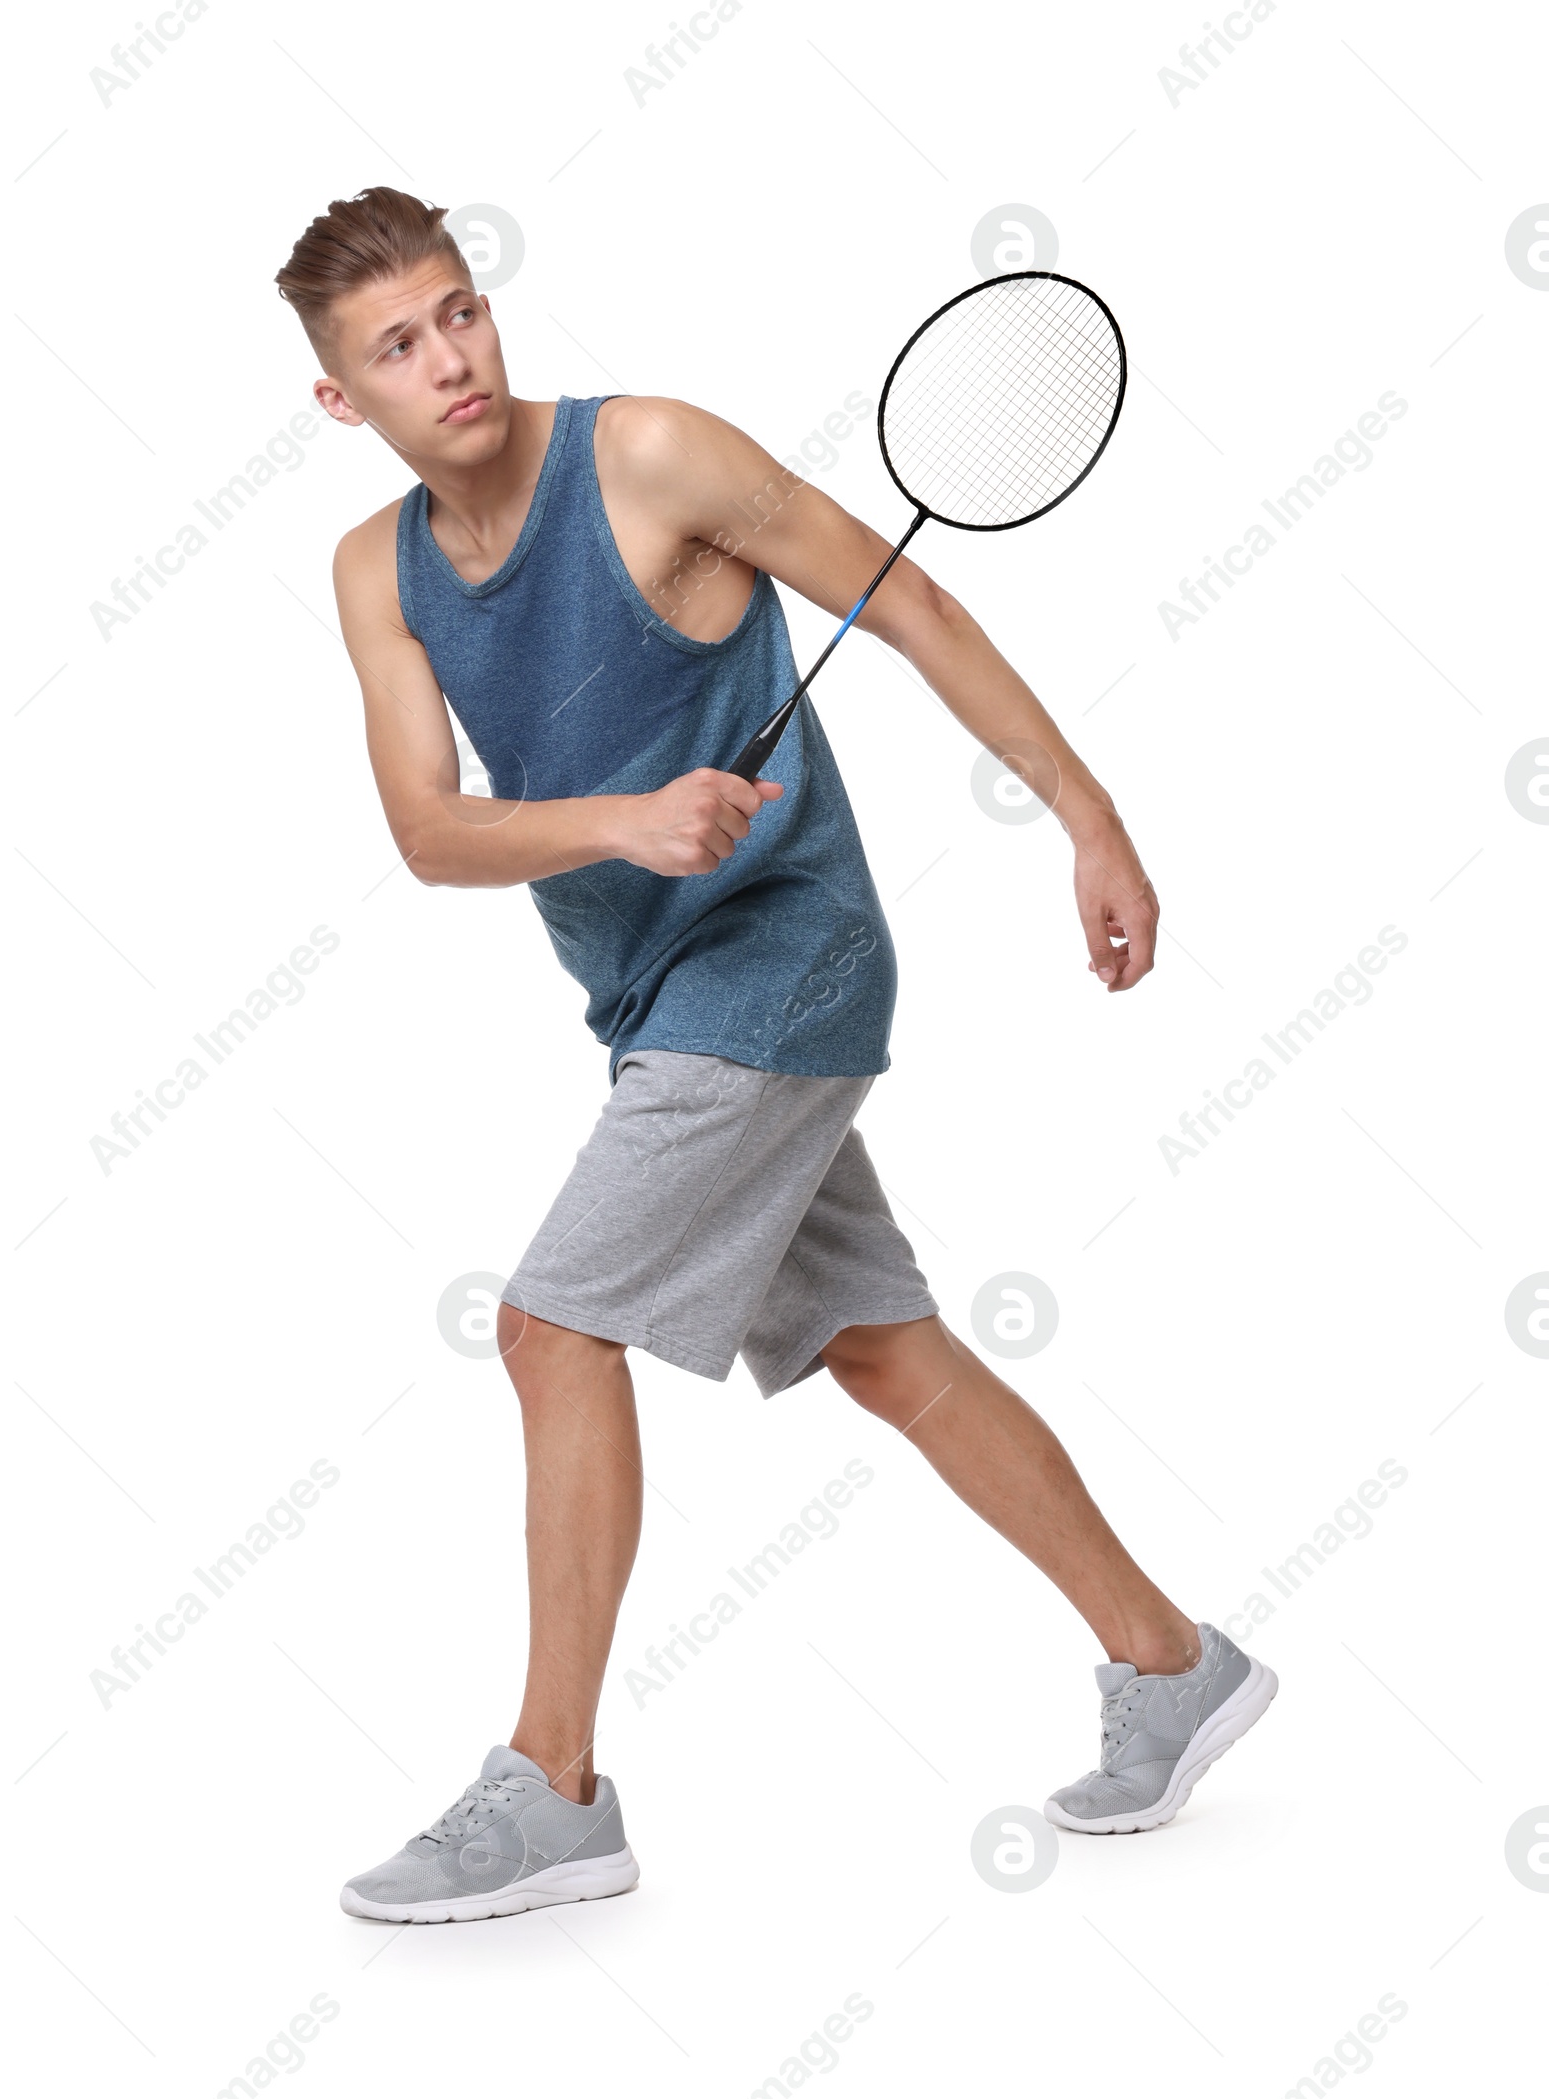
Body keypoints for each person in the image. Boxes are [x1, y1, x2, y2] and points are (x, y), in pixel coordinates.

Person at [274, 187, 1277, 1925]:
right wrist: (628, 820)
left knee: (549, 1325)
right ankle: (1170, 1662)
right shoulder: (379, 571)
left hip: (788, 965)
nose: (449, 359)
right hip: (652, 1002)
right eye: (396, 346)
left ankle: (553, 1788)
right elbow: (431, 833)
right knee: (885, 1355)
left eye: (458, 311)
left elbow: (915, 612)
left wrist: (1089, 819)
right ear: (340, 399)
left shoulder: (651, 456)